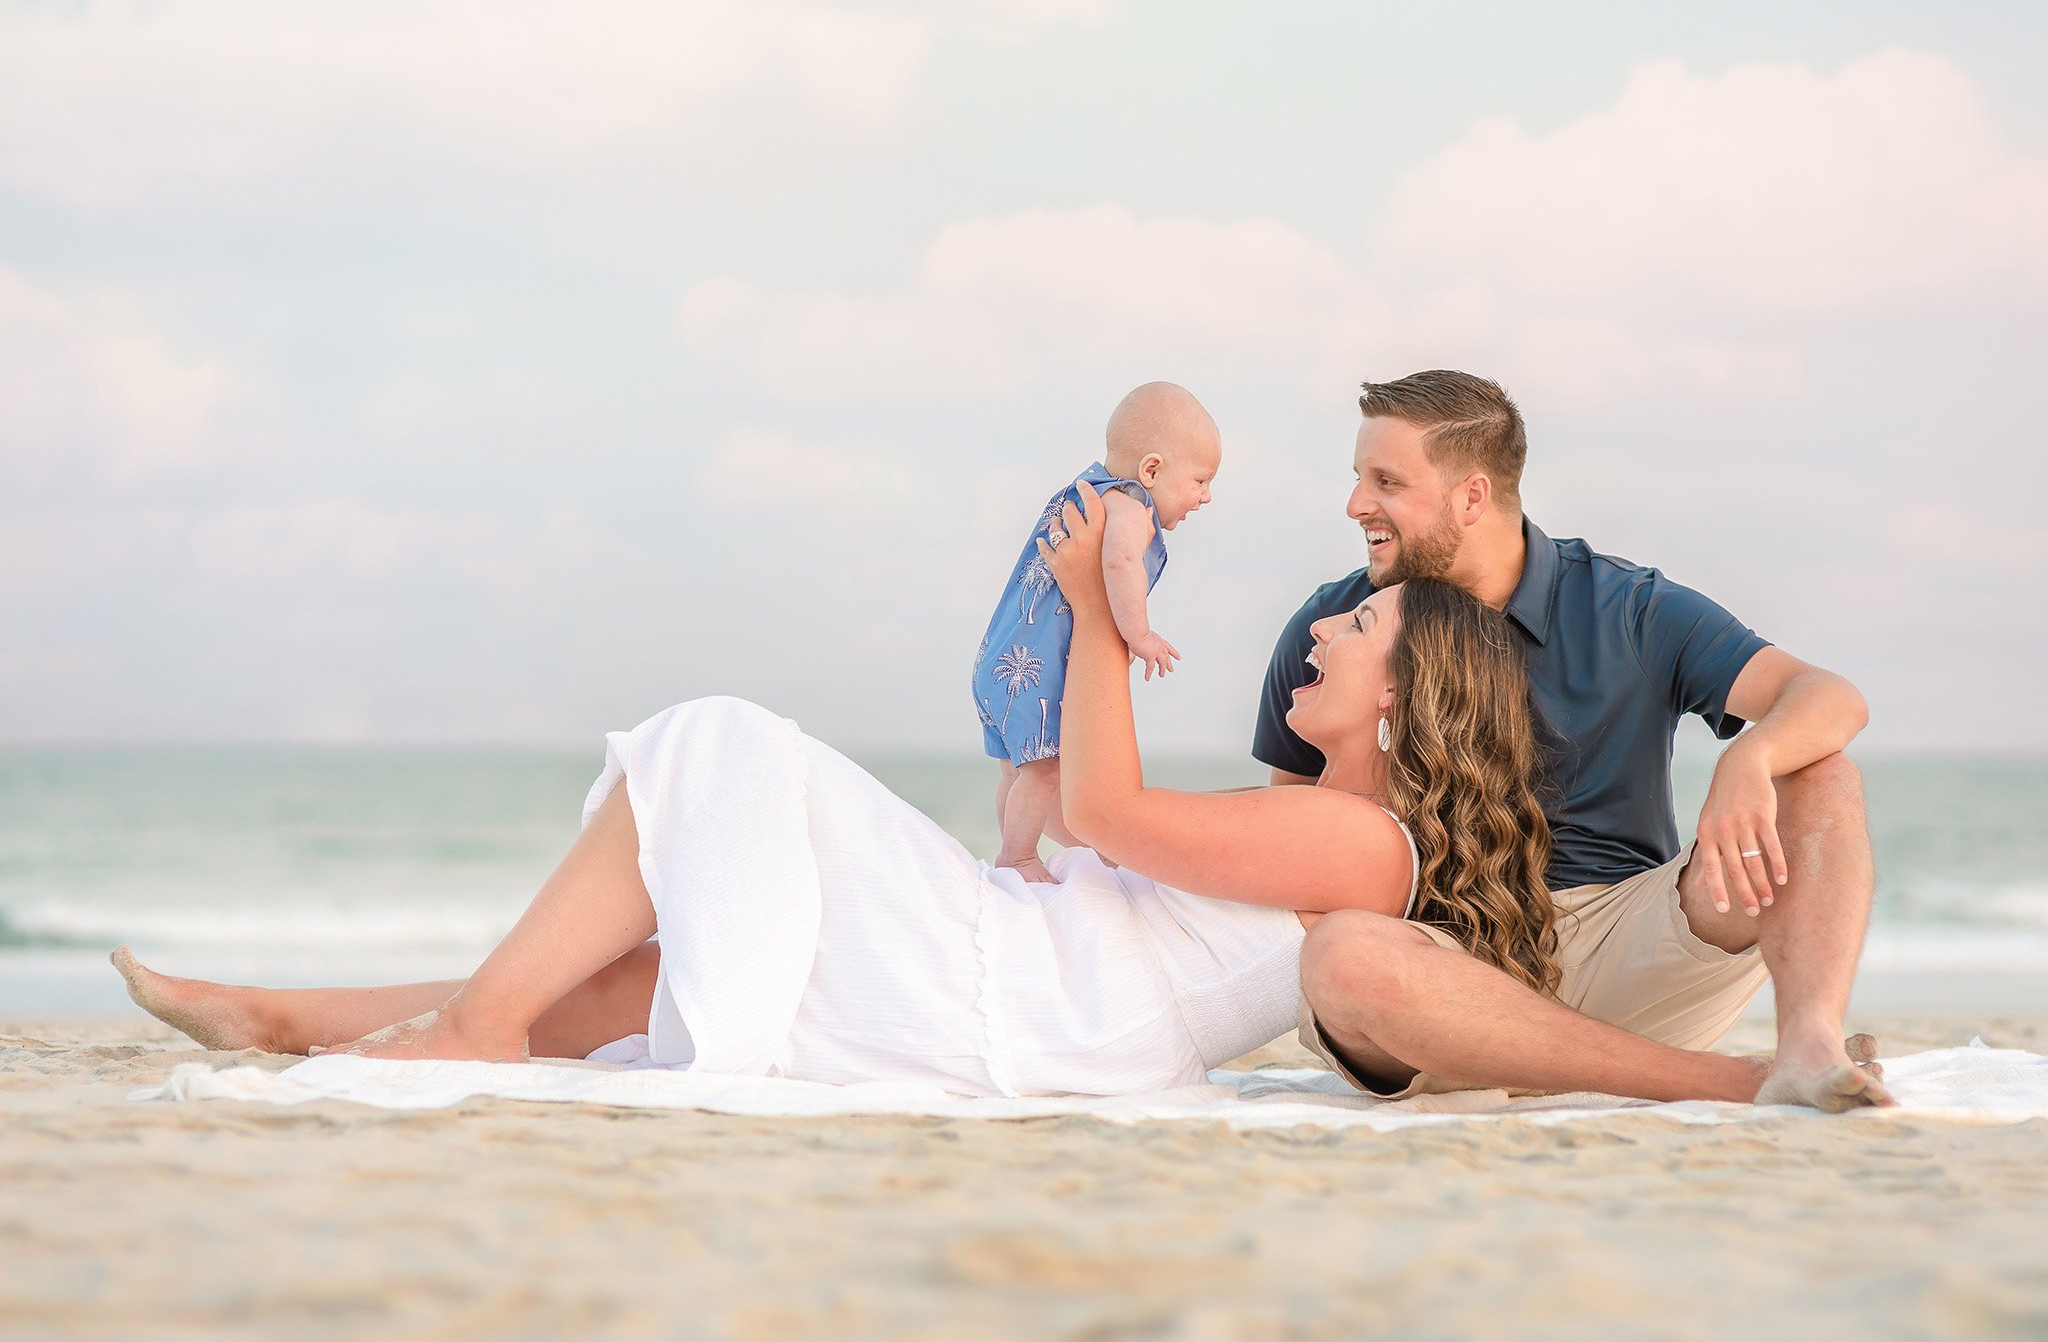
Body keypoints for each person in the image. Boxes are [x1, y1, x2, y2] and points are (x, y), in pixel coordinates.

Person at [112, 483, 1601, 1102]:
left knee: (724, 741)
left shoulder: (1364, 837)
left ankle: (475, 1029)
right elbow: (1067, 831)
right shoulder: (1320, 821)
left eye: (1359, 628)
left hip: (1022, 1017)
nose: (1330, 630)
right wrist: (1050, 694)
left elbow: (1116, 817)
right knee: (657, 959)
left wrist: (1096, 608)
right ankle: (296, 1020)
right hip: (1025, 979)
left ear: (1407, 695)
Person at [1257, 370, 1891, 1112]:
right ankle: (1741, 1080)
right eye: (1360, 478)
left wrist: (1749, 756)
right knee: (1342, 956)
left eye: (1387, 481)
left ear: (1472, 496)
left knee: (1820, 773)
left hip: (1635, 946)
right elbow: (1289, 846)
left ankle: (1810, 1041)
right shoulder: (1335, 628)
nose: (1357, 504)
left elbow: (1827, 695)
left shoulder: (1624, 607)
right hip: (1441, 984)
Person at [972, 382, 1220, 883]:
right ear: (1152, 470)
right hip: (1035, 672)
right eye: (1199, 480)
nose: (1205, 496)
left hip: (999, 663)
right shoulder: (1128, 504)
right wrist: (1139, 635)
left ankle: (1012, 854)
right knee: (1043, 770)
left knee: (1019, 772)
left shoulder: (1086, 493)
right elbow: (1121, 561)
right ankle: (1017, 858)